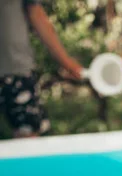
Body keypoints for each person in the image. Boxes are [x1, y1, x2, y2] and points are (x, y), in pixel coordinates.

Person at [0, 0, 83, 138]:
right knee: (28, 140)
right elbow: (37, 15)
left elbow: (37, 15)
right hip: (15, 69)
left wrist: (66, 62)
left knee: (28, 138)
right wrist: (67, 63)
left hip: (15, 69)